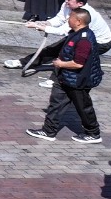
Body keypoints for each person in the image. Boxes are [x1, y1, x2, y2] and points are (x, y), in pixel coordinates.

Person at [25, 10, 105, 145]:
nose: (68, 19)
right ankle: (48, 131)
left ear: (78, 21)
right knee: (56, 104)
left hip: (78, 80)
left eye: (71, 17)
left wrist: (60, 64)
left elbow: (78, 63)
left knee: (83, 107)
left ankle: (93, 133)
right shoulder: (75, 33)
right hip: (67, 78)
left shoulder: (84, 39)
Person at [8, 0, 111, 77]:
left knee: (72, 58)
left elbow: (63, 31)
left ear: (80, 3)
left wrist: (42, 28)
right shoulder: (67, 5)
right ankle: (23, 62)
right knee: (53, 50)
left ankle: (59, 80)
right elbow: (59, 19)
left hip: (100, 42)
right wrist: (46, 23)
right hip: (79, 36)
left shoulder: (84, 14)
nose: (66, 1)